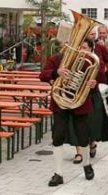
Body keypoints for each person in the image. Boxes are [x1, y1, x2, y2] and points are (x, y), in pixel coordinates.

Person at [40, 38, 97, 186]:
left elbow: (96, 85)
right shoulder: (56, 59)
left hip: (80, 103)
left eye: (83, 47)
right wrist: (56, 72)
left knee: (83, 136)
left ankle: (86, 164)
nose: (80, 49)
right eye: (78, 46)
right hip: (60, 102)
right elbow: (43, 75)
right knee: (57, 136)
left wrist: (93, 85)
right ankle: (58, 173)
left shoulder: (88, 62)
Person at [73, 38, 108, 164]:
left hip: (91, 96)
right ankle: (79, 152)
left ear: (90, 49)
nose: (81, 50)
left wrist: (94, 82)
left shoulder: (96, 61)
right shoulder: (73, 61)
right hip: (77, 96)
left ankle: (92, 143)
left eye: (84, 48)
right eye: (80, 48)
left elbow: (102, 79)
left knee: (90, 124)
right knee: (76, 124)